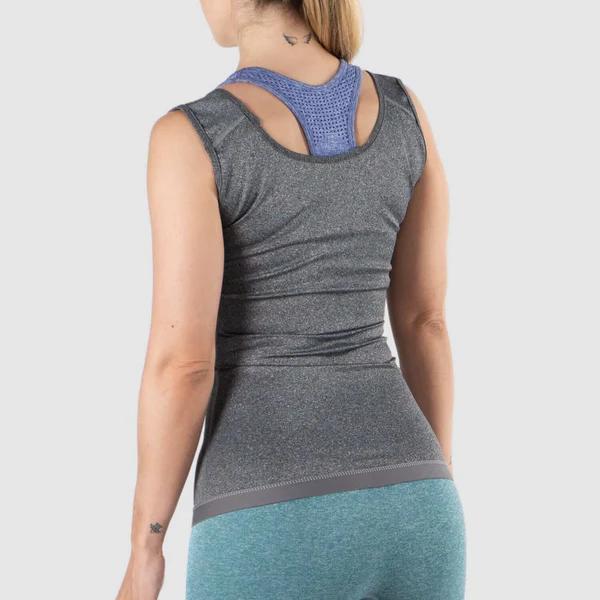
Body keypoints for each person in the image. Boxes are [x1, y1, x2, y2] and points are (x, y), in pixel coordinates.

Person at [116, 1, 466, 598]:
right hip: (419, 504)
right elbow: (424, 322)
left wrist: (145, 550)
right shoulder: (405, 109)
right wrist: (427, 487)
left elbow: (184, 365)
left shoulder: (194, 136)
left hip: (267, 513)